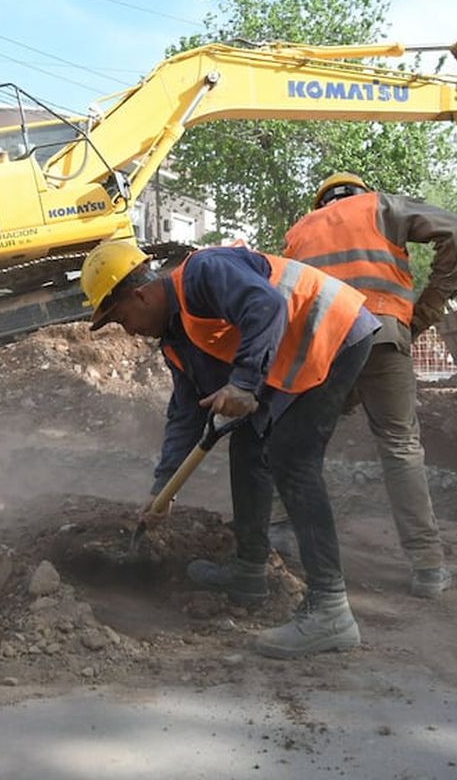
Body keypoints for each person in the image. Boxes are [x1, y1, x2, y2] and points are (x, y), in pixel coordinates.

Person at [80, 240, 379, 658]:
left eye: (120, 318)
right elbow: (186, 415)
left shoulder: (204, 272)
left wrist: (243, 382)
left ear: (141, 294)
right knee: (248, 447)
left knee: (292, 460)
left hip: (333, 331)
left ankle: (331, 611)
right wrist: (163, 489)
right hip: (296, 352)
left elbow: (267, 306)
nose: (126, 330)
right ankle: (249, 572)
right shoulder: (176, 341)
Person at [276, 171, 457, 598]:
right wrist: (434, 300)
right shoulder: (380, 206)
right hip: (382, 336)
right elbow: (453, 229)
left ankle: (278, 532)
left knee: (296, 444)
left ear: (320, 202)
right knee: (399, 446)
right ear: (359, 192)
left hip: (324, 347)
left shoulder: (299, 231)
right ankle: (428, 568)